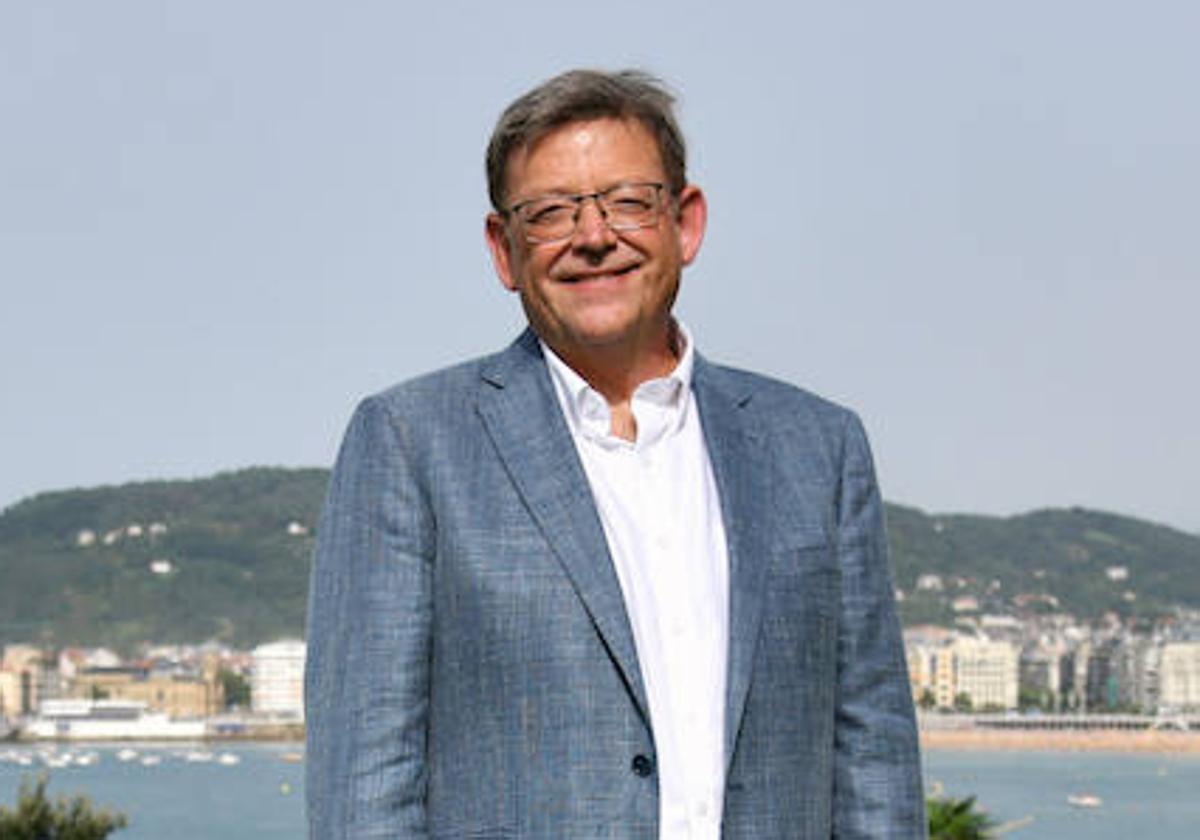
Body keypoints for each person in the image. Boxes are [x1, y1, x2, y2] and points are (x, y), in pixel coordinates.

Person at [305, 68, 925, 839]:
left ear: (686, 222)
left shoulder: (817, 448)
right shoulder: (411, 444)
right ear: (504, 249)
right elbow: (367, 781)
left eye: (628, 201)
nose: (594, 237)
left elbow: (874, 761)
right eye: (551, 213)